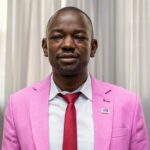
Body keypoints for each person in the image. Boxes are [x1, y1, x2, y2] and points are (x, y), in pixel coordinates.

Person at [2, 6, 149, 150]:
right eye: (57, 37)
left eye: (78, 37)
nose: (67, 44)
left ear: (93, 47)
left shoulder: (129, 104)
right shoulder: (18, 105)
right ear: (45, 47)